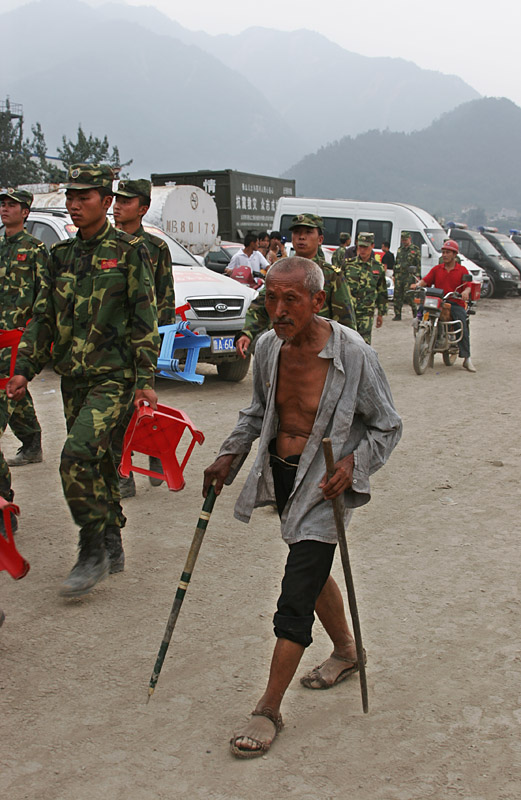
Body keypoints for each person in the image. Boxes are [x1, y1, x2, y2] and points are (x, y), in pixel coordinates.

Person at [203, 257, 401, 758]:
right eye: (271, 297)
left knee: (297, 588)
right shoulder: (269, 348)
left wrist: (354, 463)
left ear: (318, 301)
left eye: (291, 299)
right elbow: (257, 412)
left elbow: (388, 426)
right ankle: (348, 651)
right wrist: (230, 453)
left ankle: (268, 708)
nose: (279, 309)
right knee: (308, 567)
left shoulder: (354, 354)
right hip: (283, 471)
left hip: (326, 479)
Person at [6, 164, 160, 597]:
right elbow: (43, 318)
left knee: (75, 455)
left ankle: (90, 547)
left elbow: (144, 316)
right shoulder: (61, 256)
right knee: (100, 462)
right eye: (70, 197)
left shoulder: (130, 253)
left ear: (106, 202)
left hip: (114, 376)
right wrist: (24, 369)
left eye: (85, 197)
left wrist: (145, 376)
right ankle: (112, 541)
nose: (74, 205)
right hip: (74, 377)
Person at [112, 178, 176, 498]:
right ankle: (123, 473)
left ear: (143, 208)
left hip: (143, 340)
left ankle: (154, 453)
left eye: (125, 201)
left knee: (142, 405)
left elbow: (165, 296)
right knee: (116, 411)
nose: (117, 206)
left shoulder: (155, 248)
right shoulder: (105, 245)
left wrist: (162, 341)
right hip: (111, 342)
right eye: (116, 200)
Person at [235, 214, 357, 358]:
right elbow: (262, 305)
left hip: (318, 353)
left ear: (320, 239)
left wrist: (347, 355)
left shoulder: (330, 275)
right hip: (284, 349)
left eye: (308, 232)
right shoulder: (280, 272)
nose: (301, 237)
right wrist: (247, 333)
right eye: (297, 232)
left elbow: (345, 322)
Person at [0, 188, 49, 537]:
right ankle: (31, 440)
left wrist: (35, 335)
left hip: (18, 338)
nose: (4, 208)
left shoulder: (35, 250)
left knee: (12, 392)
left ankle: (31, 440)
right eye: (2, 204)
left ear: (26, 211)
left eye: (11, 204)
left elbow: (44, 296)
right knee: (11, 394)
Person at [411, 239, 476, 372]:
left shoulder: (462, 270)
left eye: (448, 252)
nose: (445, 255)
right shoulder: (437, 269)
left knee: (462, 322)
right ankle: (420, 329)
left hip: (454, 302)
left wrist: (465, 292)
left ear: (454, 254)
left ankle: (467, 358)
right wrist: (418, 285)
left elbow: (468, 287)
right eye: (443, 252)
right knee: (421, 310)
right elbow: (426, 280)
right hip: (438, 301)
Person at [344, 232, 387, 344]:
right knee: (346, 343)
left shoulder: (378, 268)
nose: (362, 250)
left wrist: (381, 314)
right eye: (360, 246)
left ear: (372, 246)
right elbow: (339, 288)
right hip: (348, 312)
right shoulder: (348, 265)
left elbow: (382, 291)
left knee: (364, 345)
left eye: (365, 247)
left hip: (366, 314)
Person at [392, 231, 421, 320]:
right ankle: (397, 314)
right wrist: (394, 274)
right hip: (399, 276)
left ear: (409, 239)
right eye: (403, 240)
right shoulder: (400, 250)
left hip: (409, 276)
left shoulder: (415, 250)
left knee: (409, 295)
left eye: (406, 239)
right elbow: (397, 262)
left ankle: (415, 314)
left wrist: (418, 276)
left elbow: (418, 264)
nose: (404, 241)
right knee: (397, 295)